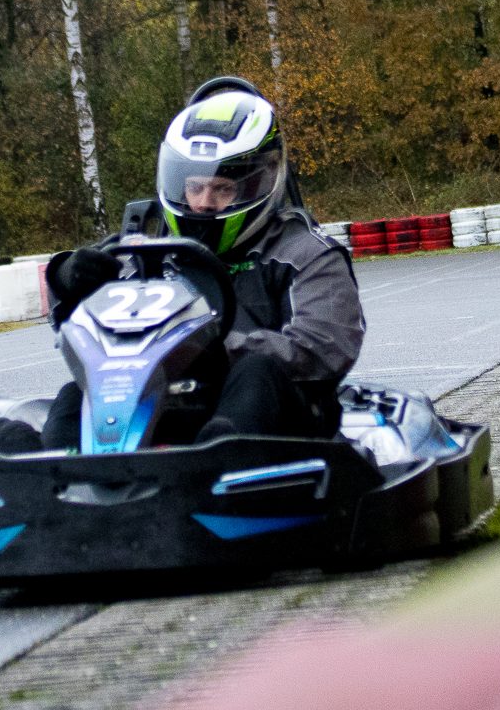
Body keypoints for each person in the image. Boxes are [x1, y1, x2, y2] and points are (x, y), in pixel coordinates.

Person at [26, 79, 366, 450]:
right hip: (171, 408)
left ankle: (217, 459)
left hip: (276, 422)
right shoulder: (151, 255)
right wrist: (67, 279)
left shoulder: (305, 253)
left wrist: (206, 350)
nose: (203, 203)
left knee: (258, 372)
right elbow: (76, 330)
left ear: (259, 183)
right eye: (195, 187)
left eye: (222, 188)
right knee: (77, 393)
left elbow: (324, 348)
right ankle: (56, 472)